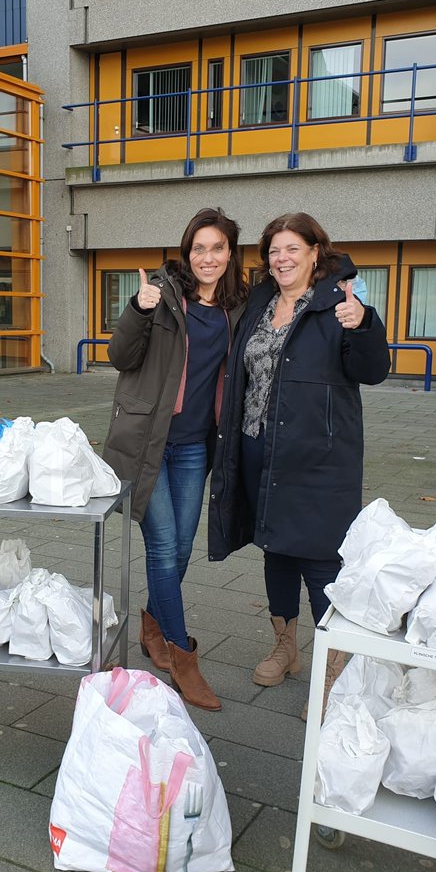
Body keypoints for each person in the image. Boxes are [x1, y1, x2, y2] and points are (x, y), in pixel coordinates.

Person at [207, 212, 389, 715]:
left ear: (314, 252)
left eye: (292, 249)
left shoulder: (340, 302)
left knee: (322, 560)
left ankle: (336, 669)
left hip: (318, 456)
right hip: (258, 448)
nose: (281, 258)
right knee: (277, 551)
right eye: (274, 250)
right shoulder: (261, 302)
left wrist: (364, 325)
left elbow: (373, 370)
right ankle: (285, 647)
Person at [102, 208, 247, 711]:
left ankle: (150, 623)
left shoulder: (237, 307)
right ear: (187, 253)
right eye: (198, 248)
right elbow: (120, 357)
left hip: (195, 446)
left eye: (217, 248)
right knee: (164, 547)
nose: (208, 257)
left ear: (230, 253)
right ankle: (183, 656)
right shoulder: (161, 295)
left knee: (182, 549)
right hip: (148, 442)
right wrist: (137, 309)